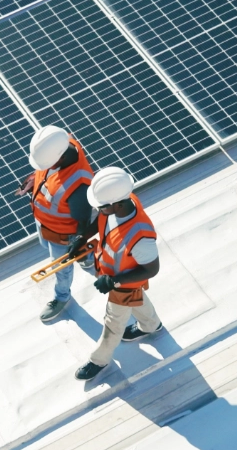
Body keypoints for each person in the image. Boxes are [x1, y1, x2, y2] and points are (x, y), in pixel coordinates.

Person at [66, 166, 162, 381]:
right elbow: (102, 221)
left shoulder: (140, 236)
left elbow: (151, 269)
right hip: (114, 275)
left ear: (116, 204)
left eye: (101, 206)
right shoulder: (120, 202)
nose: (98, 209)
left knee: (114, 324)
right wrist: (83, 237)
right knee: (137, 298)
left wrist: (114, 281)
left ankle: (99, 360)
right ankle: (151, 325)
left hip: (123, 283)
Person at [16, 126, 94, 322]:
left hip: (62, 236)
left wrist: (78, 242)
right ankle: (86, 257)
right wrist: (34, 180)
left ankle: (62, 296)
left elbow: (83, 222)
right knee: (45, 245)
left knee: (61, 268)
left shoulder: (79, 186)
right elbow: (47, 174)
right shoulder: (57, 142)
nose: (44, 167)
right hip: (44, 223)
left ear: (60, 157)